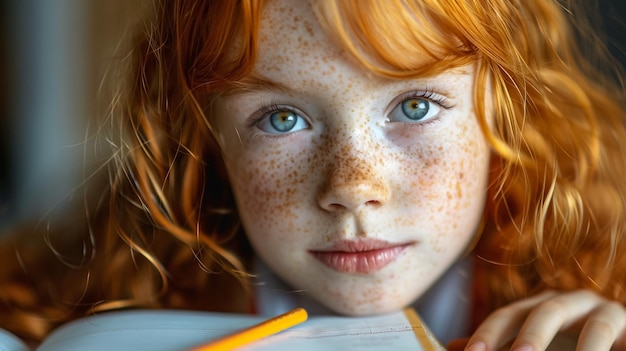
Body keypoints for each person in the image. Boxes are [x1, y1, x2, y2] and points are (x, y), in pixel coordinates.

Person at [1, 0, 625, 350]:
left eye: (415, 106)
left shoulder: (606, 289)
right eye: (280, 118)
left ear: (504, 109)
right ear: (208, 139)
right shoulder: (89, 306)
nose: (354, 185)